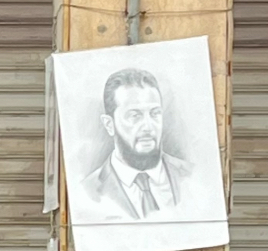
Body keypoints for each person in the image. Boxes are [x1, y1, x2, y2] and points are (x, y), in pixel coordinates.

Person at [80, 67, 193, 222]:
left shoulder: (192, 177)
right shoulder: (87, 192)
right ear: (109, 125)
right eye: (135, 115)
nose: (148, 126)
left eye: (155, 113)